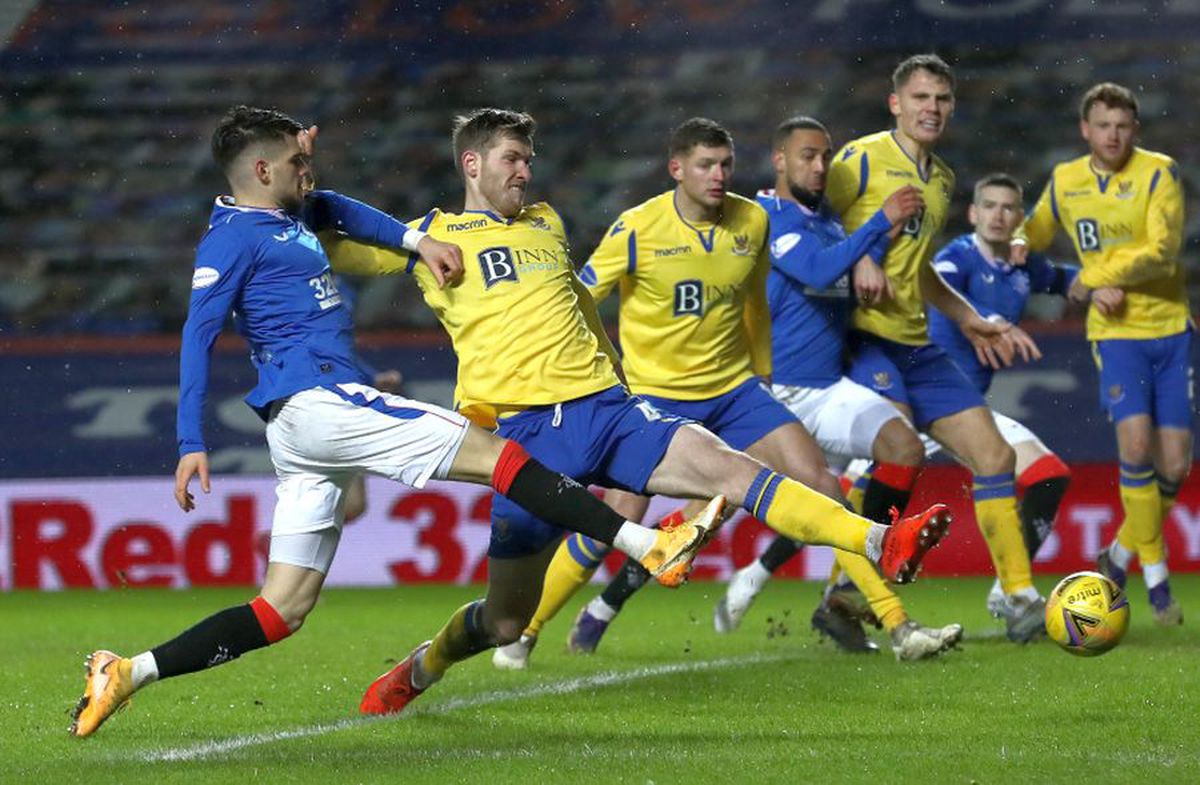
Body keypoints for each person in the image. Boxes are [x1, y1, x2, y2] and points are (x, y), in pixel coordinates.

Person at [68, 105, 720, 738]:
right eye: (298, 161)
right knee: (498, 455)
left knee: (281, 609)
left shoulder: (297, 210)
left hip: (308, 425)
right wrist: (190, 441)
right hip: (315, 404)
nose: (310, 170)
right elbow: (198, 333)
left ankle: (129, 671)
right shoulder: (232, 239)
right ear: (262, 171)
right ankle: (645, 545)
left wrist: (417, 240)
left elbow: (344, 211)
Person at [325, 108, 953, 714]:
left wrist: (614, 370)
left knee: (728, 468)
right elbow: (332, 243)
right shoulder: (431, 239)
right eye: (511, 158)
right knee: (504, 618)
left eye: (529, 160)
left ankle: (879, 539)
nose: (525, 171)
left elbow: (578, 304)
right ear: (471, 163)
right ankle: (423, 667)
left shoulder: (546, 221)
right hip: (523, 437)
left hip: (608, 409)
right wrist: (293, 195)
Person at [495, 116, 962, 667]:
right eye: (705, 165)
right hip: (655, 397)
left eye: (725, 165)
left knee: (820, 482)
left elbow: (755, 303)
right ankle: (525, 631)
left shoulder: (751, 221)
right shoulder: (638, 228)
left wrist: (761, 370)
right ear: (676, 170)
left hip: (735, 389)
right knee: (615, 523)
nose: (718, 176)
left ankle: (897, 622)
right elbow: (582, 297)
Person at [826, 53, 1048, 643]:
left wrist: (971, 319)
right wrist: (865, 252)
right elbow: (816, 230)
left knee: (995, 458)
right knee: (898, 446)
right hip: (861, 338)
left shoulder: (943, 179)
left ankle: (1021, 597)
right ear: (895, 103)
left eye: (942, 99)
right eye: (921, 97)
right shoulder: (858, 159)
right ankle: (852, 584)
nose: (932, 108)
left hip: (916, 344)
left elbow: (921, 270)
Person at [1016, 82, 1192, 625]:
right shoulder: (1067, 181)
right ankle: (1157, 583)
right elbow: (1033, 236)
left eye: (1122, 126)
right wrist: (1021, 245)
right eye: (1103, 126)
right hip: (1115, 335)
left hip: (1170, 329)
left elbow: (1162, 254)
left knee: (1177, 465)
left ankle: (1116, 558)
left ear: (1134, 130)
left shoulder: (1159, 173)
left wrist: (1091, 276)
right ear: (1085, 130)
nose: (1113, 135)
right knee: (1135, 448)